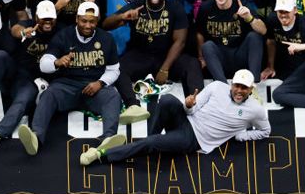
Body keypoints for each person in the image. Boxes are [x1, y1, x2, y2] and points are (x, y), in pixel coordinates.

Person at [79, 69, 269, 166]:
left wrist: (241, 135)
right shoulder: (216, 87)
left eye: (244, 88)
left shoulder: (256, 110)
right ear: (231, 84)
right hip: (188, 121)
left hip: (194, 140)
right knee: (168, 99)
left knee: (153, 141)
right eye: (237, 85)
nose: (239, 90)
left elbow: (265, 131)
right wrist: (188, 105)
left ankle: (101, 155)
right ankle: (148, 145)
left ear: (251, 89)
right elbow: (190, 112)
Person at [17, 2, 127, 156]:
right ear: (77, 19)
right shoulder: (64, 35)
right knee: (50, 93)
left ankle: (108, 139)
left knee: (113, 96)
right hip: (67, 85)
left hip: (94, 87)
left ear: (97, 20)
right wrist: (57, 62)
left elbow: (114, 70)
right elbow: (44, 64)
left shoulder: (106, 39)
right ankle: (36, 137)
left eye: (92, 21)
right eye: (84, 21)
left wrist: (100, 83)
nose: (88, 25)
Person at [103, 0, 204, 118]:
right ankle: (133, 106)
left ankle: (198, 105)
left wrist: (165, 69)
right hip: (141, 54)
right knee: (118, 69)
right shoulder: (137, 5)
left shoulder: (175, 7)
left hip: (167, 55)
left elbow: (180, 41)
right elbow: (105, 25)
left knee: (192, 64)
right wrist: (123, 16)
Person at [0, 0, 60, 150]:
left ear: (56, 18)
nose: (47, 22)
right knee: (0, 56)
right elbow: (15, 29)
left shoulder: (61, 32)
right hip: (14, 73)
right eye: (44, 18)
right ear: (36, 17)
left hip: (32, 82)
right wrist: (23, 32)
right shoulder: (28, 24)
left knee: (22, 101)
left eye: (51, 19)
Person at [195, 0, 267, 82]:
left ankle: (253, 83)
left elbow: (263, 31)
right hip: (220, 58)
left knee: (254, 36)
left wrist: (249, 18)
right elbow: (199, 33)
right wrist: (201, 57)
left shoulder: (241, 4)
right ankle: (222, 85)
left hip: (240, 55)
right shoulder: (205, 7)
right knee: (207, 46)